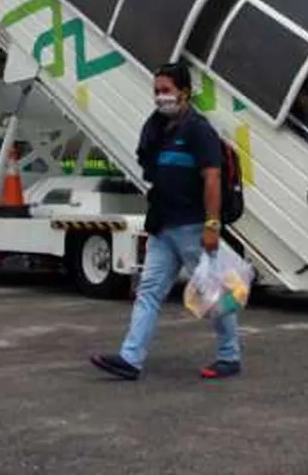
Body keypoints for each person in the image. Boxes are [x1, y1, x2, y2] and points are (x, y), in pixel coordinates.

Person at [90, 61, 241, 381]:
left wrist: (212, 226)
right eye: (156, 91)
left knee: (213, 294)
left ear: (184, 92)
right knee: (148, 292)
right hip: (163, 226)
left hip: (192, 227)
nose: (160, 97)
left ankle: (230, 355)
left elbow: (212, 179)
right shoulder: (157, 129)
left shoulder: (199, 131)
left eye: (166, 91)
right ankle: (130, 359)